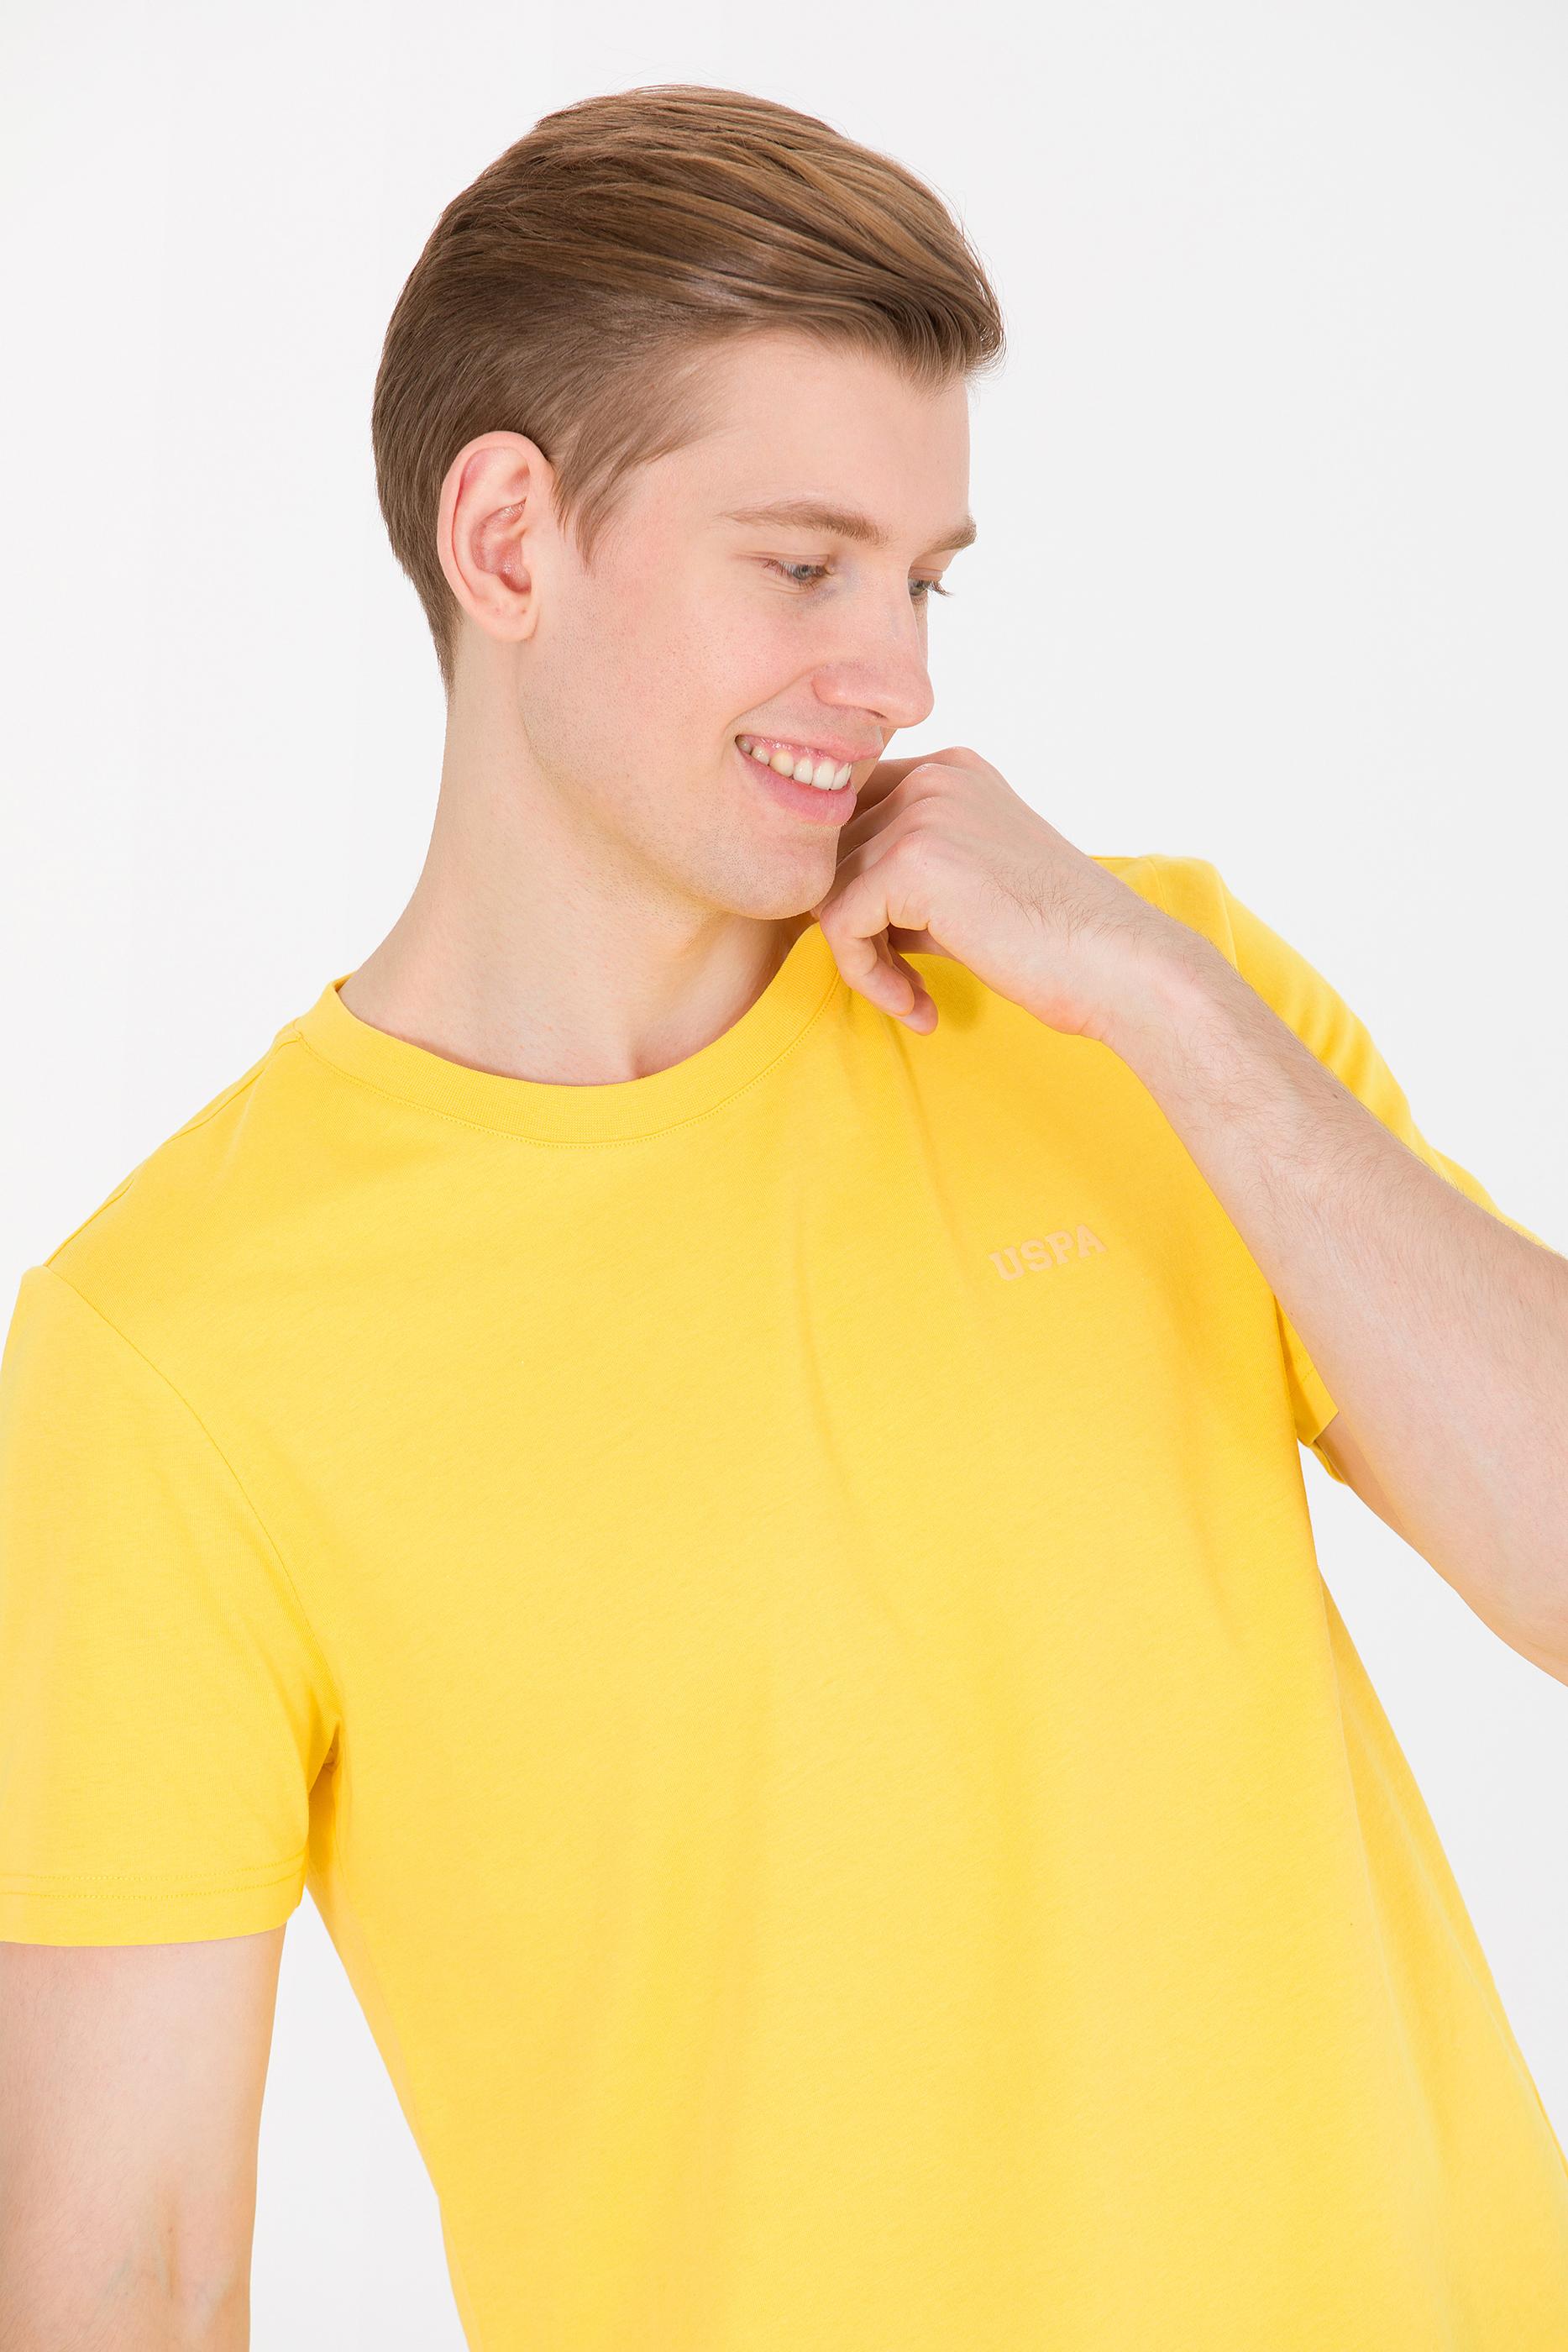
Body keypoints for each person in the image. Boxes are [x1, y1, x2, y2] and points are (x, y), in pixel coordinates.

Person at [2, 79, 1565, 2352]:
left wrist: (1162, 1003)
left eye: (923, 581)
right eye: (805, 565)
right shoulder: (171, 1352)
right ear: (508, 540)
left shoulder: (1140, 1008)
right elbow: (124, 2273)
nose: (900, 676)